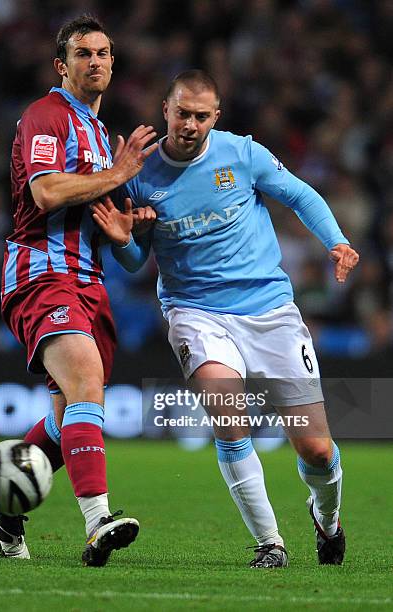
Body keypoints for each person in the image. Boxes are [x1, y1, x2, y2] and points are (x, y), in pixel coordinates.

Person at [92, 69, 359, 568]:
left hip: (270, 311)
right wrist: (126, 238)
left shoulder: (241, 154)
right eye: (182, 113)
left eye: (201, 116)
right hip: (195, 312)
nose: (190, 124)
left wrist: (337, 242)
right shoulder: (140, 174)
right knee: (229, 416)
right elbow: (133, 262)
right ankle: (270, 543)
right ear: (165, 110)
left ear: (215, 117)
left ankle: (328, 521)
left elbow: (300, 194)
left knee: (318, 449)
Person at [0, 14, 157, 567]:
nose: (95, 61)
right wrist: (119, 172)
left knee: (67, 414)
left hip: (90, 284)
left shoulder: (101, 136)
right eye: (83, 53)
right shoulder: (45, 117)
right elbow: (48, 192)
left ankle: (2, 502)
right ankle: (99, 520)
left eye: (103, 52)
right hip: (40, 274)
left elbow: (121, 249)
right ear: (63, 65)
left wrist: (126, 232)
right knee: (85, 379)